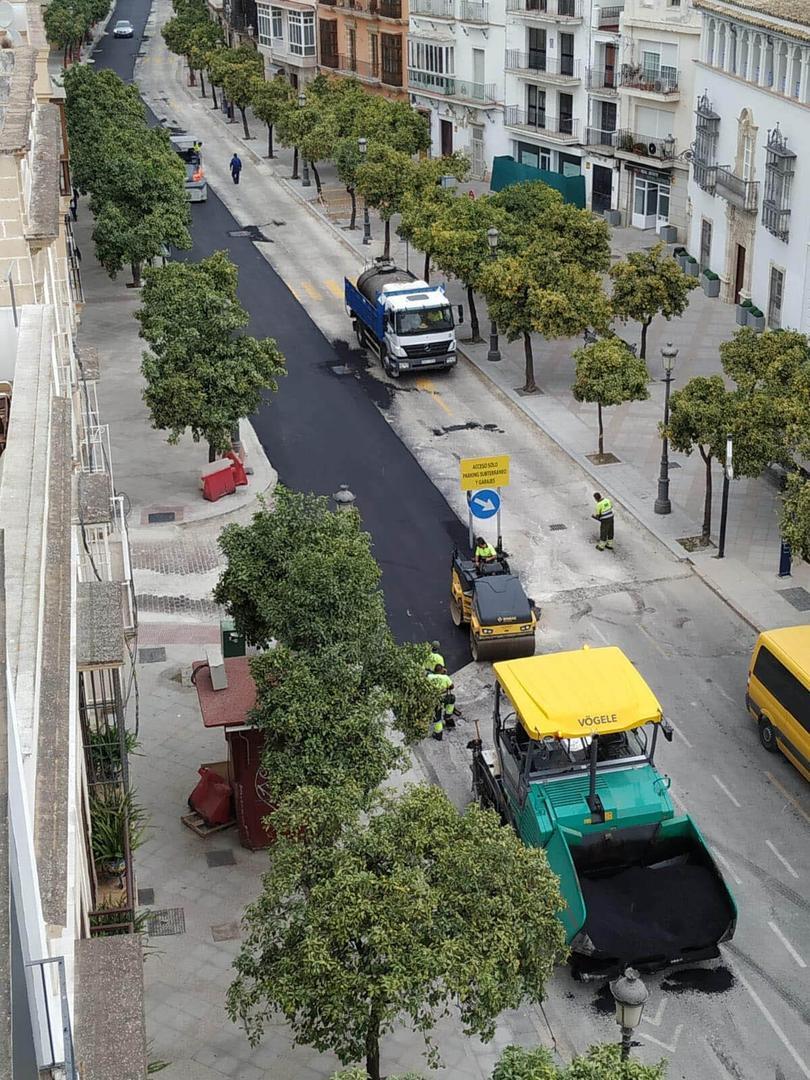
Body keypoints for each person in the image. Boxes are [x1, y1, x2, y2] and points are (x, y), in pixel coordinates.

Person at [427, 664, 456, 738]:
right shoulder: (445, 677)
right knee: (451, 701)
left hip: (436, 699)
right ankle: (448, 718)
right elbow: (452, 686)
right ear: (442, 670)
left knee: (437, 716)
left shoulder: (430, 677)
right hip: (445, 697)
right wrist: (445, 675)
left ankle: (438, 734)